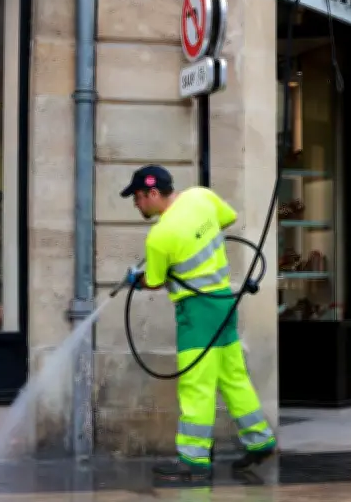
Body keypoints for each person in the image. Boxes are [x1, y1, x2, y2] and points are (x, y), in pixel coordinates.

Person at [120, 164, 276, 481]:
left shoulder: (160, 236)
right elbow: (227, 218)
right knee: (234, 378)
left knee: (196, 385)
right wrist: (198, 237)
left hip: (196, 314)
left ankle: (193, 459)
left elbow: (154, 281)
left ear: (152, 193)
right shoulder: (201, 196)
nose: (136, 204)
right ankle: (260, 439)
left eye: (137, 198)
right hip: (223, 303)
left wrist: (135, 281)